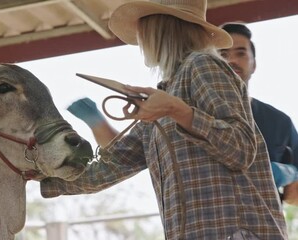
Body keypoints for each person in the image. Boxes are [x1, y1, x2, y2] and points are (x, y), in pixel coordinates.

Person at [40, 0, 287, 239]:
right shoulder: (165, 95)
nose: (139, 37)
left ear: (159, 28)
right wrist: (42, 176)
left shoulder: (203, 66)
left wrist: (176, 110)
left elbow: (242, 148)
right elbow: (110, 168)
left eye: (142, 27)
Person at [219, 22, 298, 205]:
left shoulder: (280, 123)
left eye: (240, 53)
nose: (231, 60)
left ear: (254, 64)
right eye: (223, 55)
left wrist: (289, 174)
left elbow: (294, 195)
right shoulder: (193, 117)